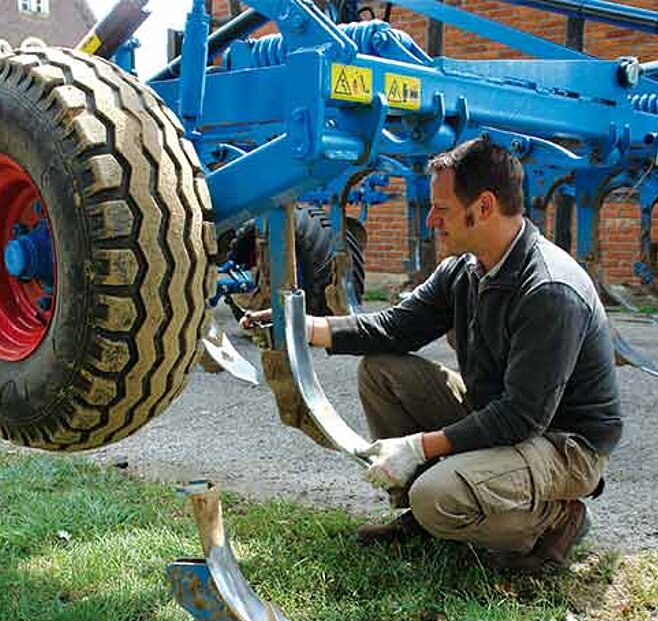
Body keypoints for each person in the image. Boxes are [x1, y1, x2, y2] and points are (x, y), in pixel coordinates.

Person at [245, 136, 623, 572]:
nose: (430, 221)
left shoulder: (548, 290)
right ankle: (423, 518)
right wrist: (302, 328)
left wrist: (417, 448)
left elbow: (522, 417)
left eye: (441, 210)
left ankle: (557, 519)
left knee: (436, 497)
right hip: (504, 414)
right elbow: (395, 329)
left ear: (483, 207)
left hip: (563, 444)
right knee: (383, 371)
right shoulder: (466, 269)